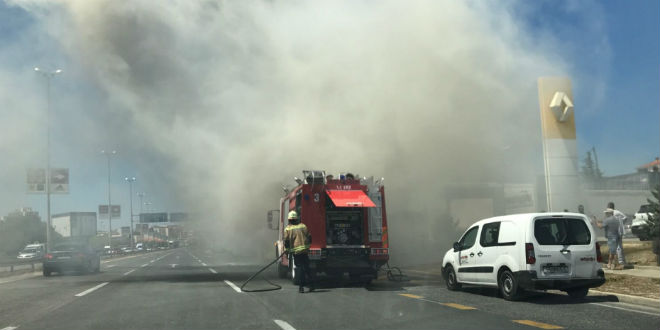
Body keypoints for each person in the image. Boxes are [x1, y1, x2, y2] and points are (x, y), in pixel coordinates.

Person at [283, 210, 314, 293]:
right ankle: (312, 285)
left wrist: (287, 251)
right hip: (305, 251)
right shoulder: (303, 226)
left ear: (289, 220)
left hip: (297, 252)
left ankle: (301, 287)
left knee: (300, 269)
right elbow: (310, 237)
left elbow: (286, 242)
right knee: (307, 267)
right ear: (297, 218)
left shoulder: (288, 229)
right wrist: (307, 246)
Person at [608, 202, 627, 267]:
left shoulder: (611, 213)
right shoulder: (618, 212)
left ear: (609, 207)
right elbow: (625, 217)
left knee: (617, 247)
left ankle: (620, 262)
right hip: (620, 231)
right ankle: (623, 261)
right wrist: (621, 223)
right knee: (620, 246)